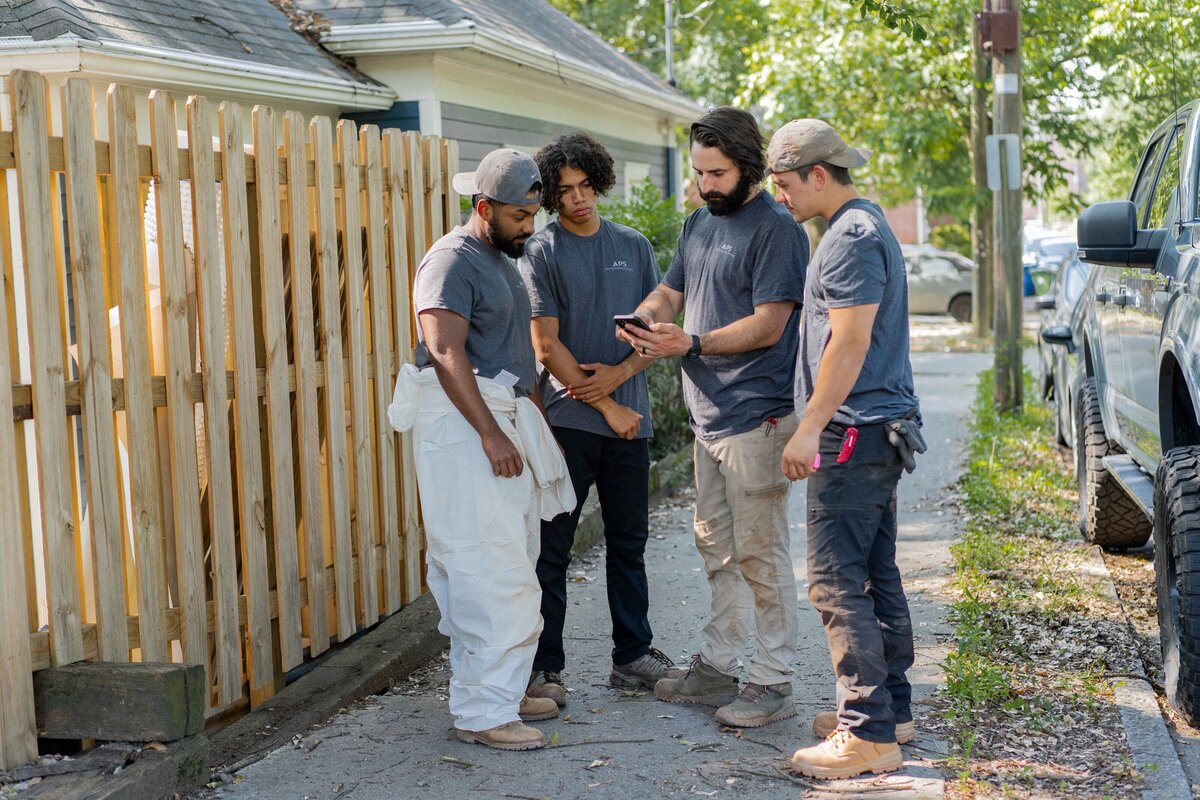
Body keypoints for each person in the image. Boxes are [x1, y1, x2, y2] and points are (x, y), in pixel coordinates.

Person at [619, 107, 809, 729]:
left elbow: (769, 323)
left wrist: (691, 343)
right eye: (699, 172)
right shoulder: (699, 222)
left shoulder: (778, 229)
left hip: (758, 417)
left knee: (759, 552)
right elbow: (671, 292)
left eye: (718, 172)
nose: (705, 184)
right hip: (708, 419)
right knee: (717, 550)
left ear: (749, 166)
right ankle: (719, 665)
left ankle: (773, 678)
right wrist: (648, 319)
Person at [388, 148, 576, 752]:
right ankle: (483, 712)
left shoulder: (499, 256)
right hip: (466, 431)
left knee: (512, 560)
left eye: (534, 215)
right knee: (485, 569)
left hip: (503, 419)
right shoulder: (450, 260)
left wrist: (531, 418)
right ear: (483, 207)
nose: (531, 227)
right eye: (521, 216)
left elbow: (513, 355)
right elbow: (444, 350)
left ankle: (505, 687)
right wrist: (490, 433)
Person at [769, 119, 926, 779]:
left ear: (818, 175)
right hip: (877, 427)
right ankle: (889, 710)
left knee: (836, 582)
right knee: (872, 572)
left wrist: (809, 428)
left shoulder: (848, 240)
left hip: (854, 431)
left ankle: (866, 734)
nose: (781, 198)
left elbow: (849, 343)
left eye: (785, 185)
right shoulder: (865, 225)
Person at [517, 132, 683, 708]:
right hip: (567, 424)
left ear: (600, 182)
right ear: (551, 198)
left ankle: (632, 656)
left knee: (629, 543)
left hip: (628, 425)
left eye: (586, 186)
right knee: (552, 549)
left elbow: (654, 332)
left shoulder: (633, 246)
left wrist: (616, 384)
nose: (579, 199)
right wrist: (606, 403)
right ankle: (545, 668)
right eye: (564, 192)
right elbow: (545, 344)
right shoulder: (542, 251)